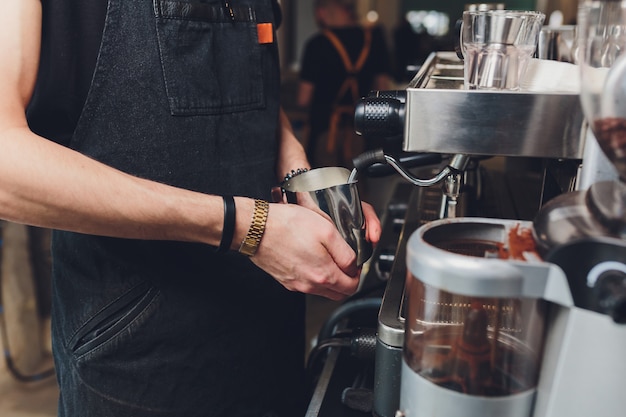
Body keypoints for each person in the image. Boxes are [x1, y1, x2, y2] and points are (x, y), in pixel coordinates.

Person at [0, 1, 381, 417]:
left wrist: (303, 181)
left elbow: (254, 82)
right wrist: (249, 228)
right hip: (135, 350)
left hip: (269, 321)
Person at [298, 0, 393, 169]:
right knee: (356, 182)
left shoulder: (316, 44)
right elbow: (383, 88)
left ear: (321, 12)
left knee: (327, 184)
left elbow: (304, 98)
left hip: (325, 131)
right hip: (361, 129)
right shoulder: (373, 41)